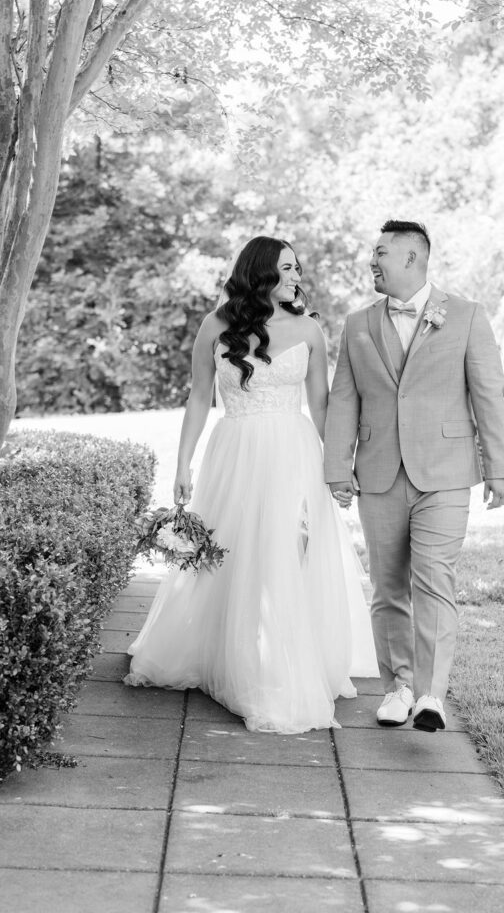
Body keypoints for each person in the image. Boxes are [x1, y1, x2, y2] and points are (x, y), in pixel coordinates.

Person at [125, 236, 378, 733]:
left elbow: (322, 405)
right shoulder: (216, 326)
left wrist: (338, 466)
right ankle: (235, 658)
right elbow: (200, 397)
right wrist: (183, 463)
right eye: (287, 268)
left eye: (298, 269)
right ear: (261, 272)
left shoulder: (309, 330)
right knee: (233, 554)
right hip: (235, 451)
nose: (297, 277)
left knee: (288, 552)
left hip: (293, 451)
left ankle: (280, 662)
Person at [324, 220, 504, 733]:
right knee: (388, 588)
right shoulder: (357, 324)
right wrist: (337, 468)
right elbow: (344, 399)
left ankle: (431, 695)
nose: (372, 262)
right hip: (380, 472)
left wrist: (499, 466)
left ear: (412, 258)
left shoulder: (468, 317)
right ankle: (398, 687)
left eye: (380, 253)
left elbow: (488, 395)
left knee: (434, 581)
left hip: (446, 473)